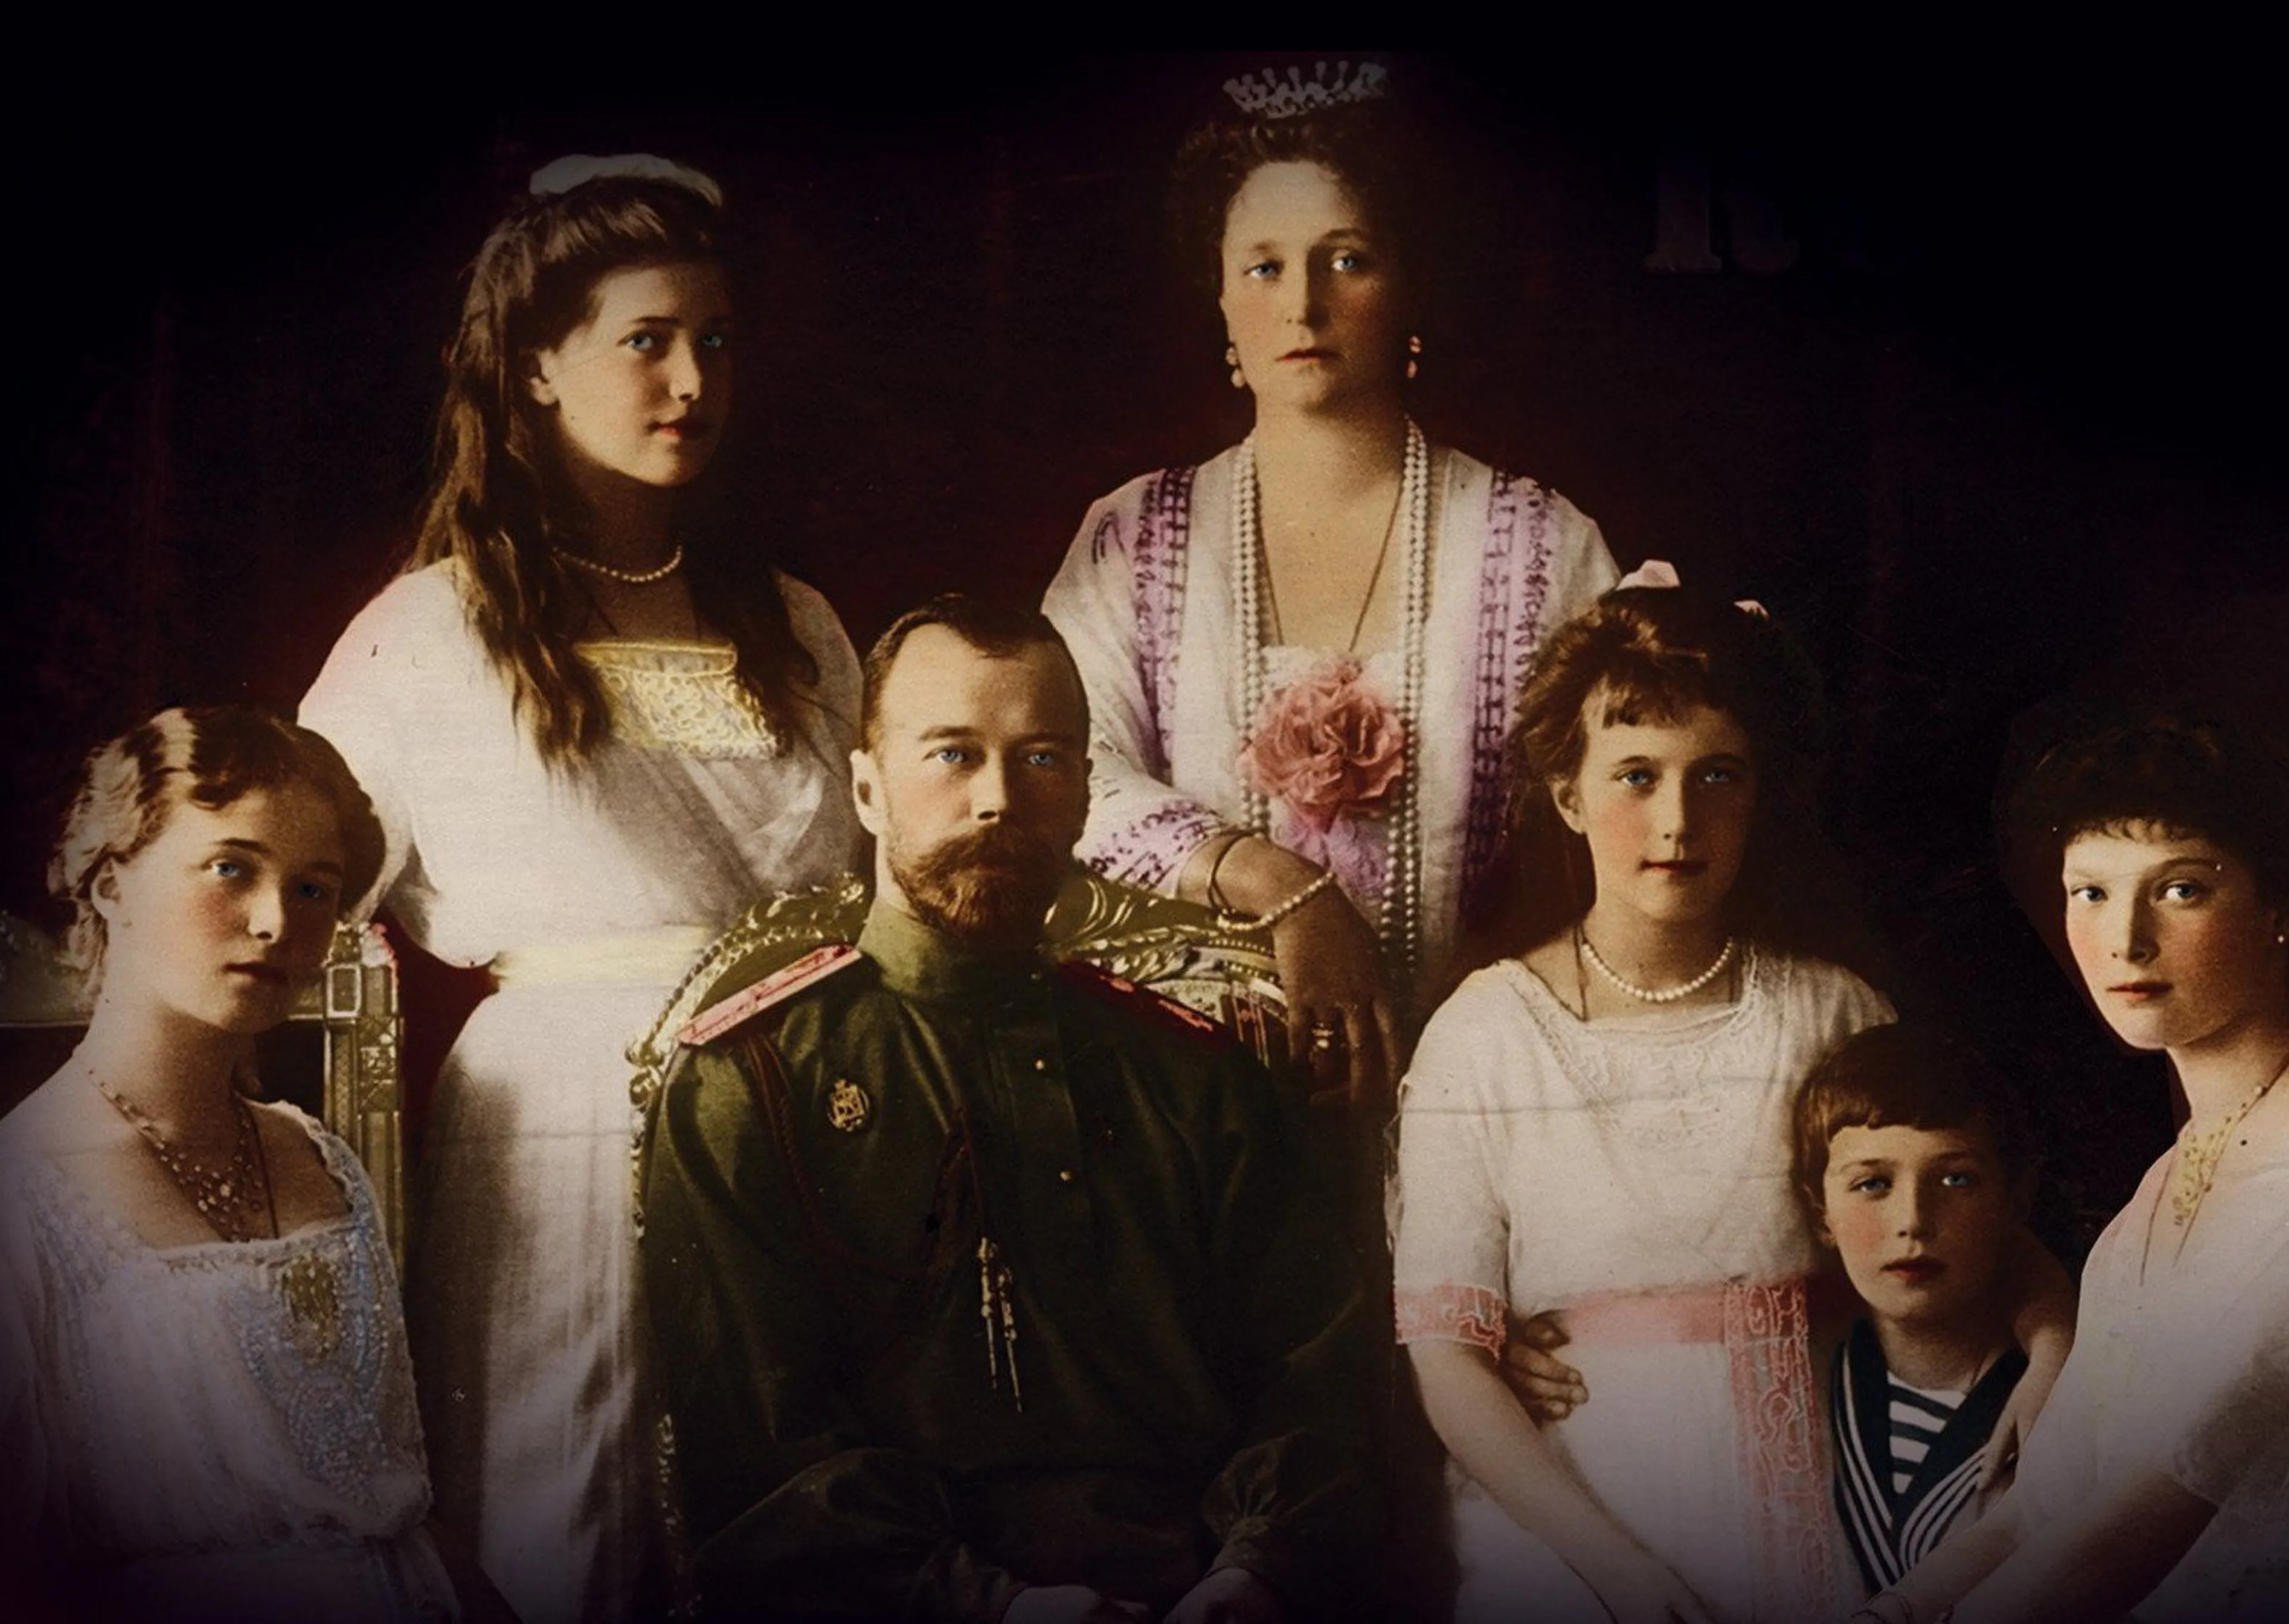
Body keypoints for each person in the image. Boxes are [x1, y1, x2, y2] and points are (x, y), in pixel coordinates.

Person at [300, 154, 863, 1624]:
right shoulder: (433, 634)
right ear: (538, 367)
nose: (692, 381)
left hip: (801, 1103)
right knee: (583, 1505)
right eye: (646, 341)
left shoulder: (796, 624)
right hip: (565, 1120)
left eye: (715, 341)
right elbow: (300, 882)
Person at [638, 597, 1380, 1624]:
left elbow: (1319, 1380)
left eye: (1040, 760)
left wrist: (1255, 1573)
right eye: (953, 755)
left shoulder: (1194, 1078)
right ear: (867, 789)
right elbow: (767, 1463)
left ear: (1081, 799)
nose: (998, 799)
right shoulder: (753, 1080)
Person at [1041, 61, 1620, 1102]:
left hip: (1487, 1080)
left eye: (1346, 259)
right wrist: (1277, 882)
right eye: (1263, 267)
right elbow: (1065, 767)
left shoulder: (1542, 544)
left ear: (1409, 285)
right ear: (1221, 296)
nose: (1302, 304)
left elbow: (1622, 802)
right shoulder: (1133, 539)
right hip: (1190, 1096)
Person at [1389, 583, 1900, 1623]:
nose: (1677, 822)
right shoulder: (1484, 1038)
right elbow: (1448, 1362)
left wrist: (2050, 1344)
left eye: (1717, 776)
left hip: (1817, 1510)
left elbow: (1963, 1238)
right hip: (1570, 1537)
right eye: (1636, 776)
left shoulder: (1831, 1014)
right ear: (1569, 796)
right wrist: (1615, 1573)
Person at [0, 706, 458, 1621]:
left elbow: (403, 1502)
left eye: (314, 887)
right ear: (113, 883)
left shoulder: (319, 1158)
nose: (275, 921)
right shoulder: (26, 1189)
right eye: (230, 868)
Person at [1869, 712, 2289, 1623]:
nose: (2125, 939)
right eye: (2090, 892)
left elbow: (2128, 1535)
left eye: (2180, 889)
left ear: (2276, 913)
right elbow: (2040, 1510)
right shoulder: (2151, 1203)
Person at [1791, 1023, 2037, 1595]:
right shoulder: (1813, 1384)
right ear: (1821, 1212)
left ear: (2014, 1200)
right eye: (1873, 1184)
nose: (1913, 1221)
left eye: (1956, 1179)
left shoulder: (2048, 1393)